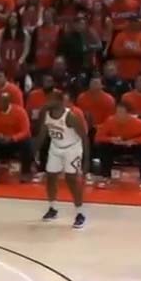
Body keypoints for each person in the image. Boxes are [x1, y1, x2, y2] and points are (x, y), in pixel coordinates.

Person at [39, 88, 89, 228]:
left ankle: (80, 213)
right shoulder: (46, 114)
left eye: (51, 99)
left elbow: (85, 138)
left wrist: (86, 160)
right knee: (50, 177)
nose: (47, 102)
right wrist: (35, 150)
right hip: (55, 147)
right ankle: (52, 208)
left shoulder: (70, 116)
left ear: (59, 101)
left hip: (72, 148)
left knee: (71, 179)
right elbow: (42, 134)